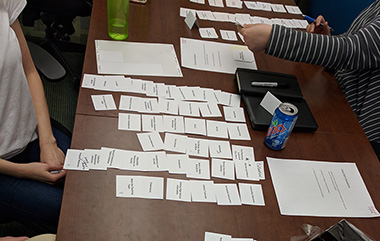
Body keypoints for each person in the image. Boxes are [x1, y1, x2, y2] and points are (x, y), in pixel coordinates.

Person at [238, 1, 380, 155]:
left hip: (359, 137)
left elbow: (351, 51)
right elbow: (364, 49)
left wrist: (273, 38)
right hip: (335, 96)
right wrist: (326, 41)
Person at [0, 0, 70, 234]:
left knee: (96, 178)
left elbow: (29, 70)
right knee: (72, 208)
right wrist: (25, 171)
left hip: (31, 135)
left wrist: (47, 141)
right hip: (4, 167)